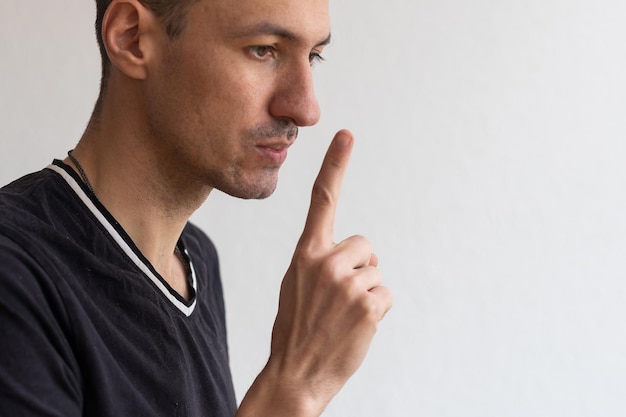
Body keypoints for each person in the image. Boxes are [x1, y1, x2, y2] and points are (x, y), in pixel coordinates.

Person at [0, 0, 392, 415]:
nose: (306, 109)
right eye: (265, 49)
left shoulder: (196, 261)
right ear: (132, 38)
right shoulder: (15, 275)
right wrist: (296, 384)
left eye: (312, 56)